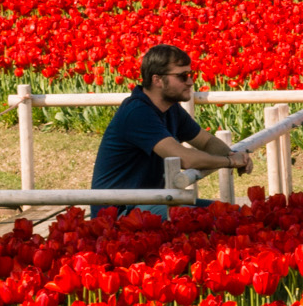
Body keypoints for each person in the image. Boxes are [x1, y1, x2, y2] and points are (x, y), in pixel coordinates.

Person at [90, 45, 251, 218]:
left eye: (191, 75)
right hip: (119, 213)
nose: (190, 82)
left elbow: (206, 141)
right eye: (182, 76)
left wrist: (234, 155)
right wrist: (229, 161)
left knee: (237, 215)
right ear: (157, 80)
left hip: (151, 202)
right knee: (213, 220)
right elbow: (185, 159)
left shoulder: (170, 108)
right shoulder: (137, 112)